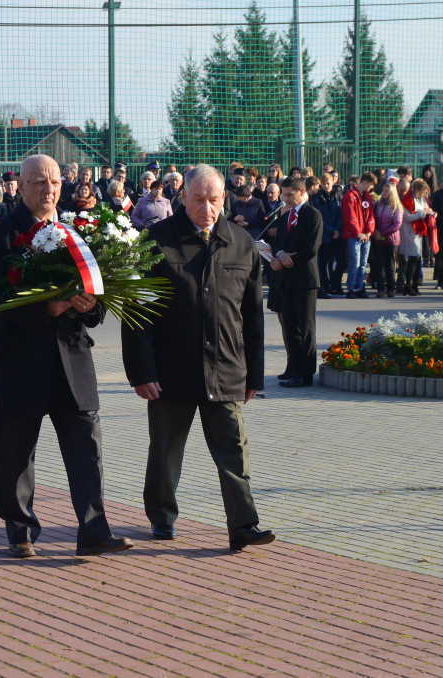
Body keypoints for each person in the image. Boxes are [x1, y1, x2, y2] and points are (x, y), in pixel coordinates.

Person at [0, 154, 134, 559]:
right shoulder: (0, 236)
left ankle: (94, 531)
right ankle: (20, 528)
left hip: (72, 360)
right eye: (39, 183)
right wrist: (45, 308)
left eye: (55, 182)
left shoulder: (76, 232)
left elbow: (99, 300)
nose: (49, 190)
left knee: (86, 446)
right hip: (20, 360)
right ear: (21, 187)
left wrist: (86, 306)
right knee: (16, 451)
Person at [119, 164, 273, 549]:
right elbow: (137, 314)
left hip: (226, 369)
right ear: (183, 198)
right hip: (171, 371)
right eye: (199, 199)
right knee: (166, 450)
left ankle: (243, 525)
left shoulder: (241, 243)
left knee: (234, 451)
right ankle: (161, 515)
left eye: (215, 200)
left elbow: (252, 317)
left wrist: (255, 375)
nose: (207, 208)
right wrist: (141, 371)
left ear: (225, 199)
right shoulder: (154, 242)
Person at [271, 176, 323, 386]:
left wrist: (288, 260)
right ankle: (293, 367)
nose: (286, 198)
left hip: (305, 280)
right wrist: (280, 253)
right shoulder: (285, 216)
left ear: (302, 192)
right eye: (284, 194)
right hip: (286, 280)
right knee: (290, 327)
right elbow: (277, 243)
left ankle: (306, 372)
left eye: (290, 195)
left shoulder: (313, 215)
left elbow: (312, 248)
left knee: (306, 327)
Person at [341, 172, 377, 299]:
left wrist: (369, 231)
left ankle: (359, 287)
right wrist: (358, 233)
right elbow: (350, 217)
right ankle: (350, 288)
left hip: (365, 236)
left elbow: (370, 216)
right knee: (354, 262)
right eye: (371, 185)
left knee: (362, 263)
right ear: (365, 183)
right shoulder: (349, 196)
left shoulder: (367, 196)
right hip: (353, 236)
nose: (371, 188)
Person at [311, 172, 343, 295]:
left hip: (337, 234)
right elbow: (319, 218)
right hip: (324, 235)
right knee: (323, 262)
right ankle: (325, 286)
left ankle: (336, 284)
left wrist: (337, 230)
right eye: (323, 184)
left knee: (341, 261)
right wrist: (331, 230)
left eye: (328, 183)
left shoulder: (338, 197)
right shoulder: (316, 198)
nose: (325, 186)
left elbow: (341, 216)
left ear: (333, 183)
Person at [399, 179, 433, 296]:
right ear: (417, 190)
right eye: (422, 192)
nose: (424, 195)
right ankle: (407, 285)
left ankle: (414, 285)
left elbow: (426, 209)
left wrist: (431, 213)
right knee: (413, 259)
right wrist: (424, 213)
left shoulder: (421, 199)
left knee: (417, 259)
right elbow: (408, 217)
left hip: (419, 232)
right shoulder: (407, 200)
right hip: (410, 232)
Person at [372, 181, 403, 298]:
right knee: (379, 264)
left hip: (391, 240)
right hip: (378, 239)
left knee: (390, 265)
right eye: (383, 191)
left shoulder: (396, 206)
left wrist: (382, 234)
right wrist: (376, 231)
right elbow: (372, 217)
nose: (384, 193)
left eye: (386, 191)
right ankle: (380, 288)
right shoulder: (378, 204)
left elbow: (397, 224)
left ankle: (391, 288)